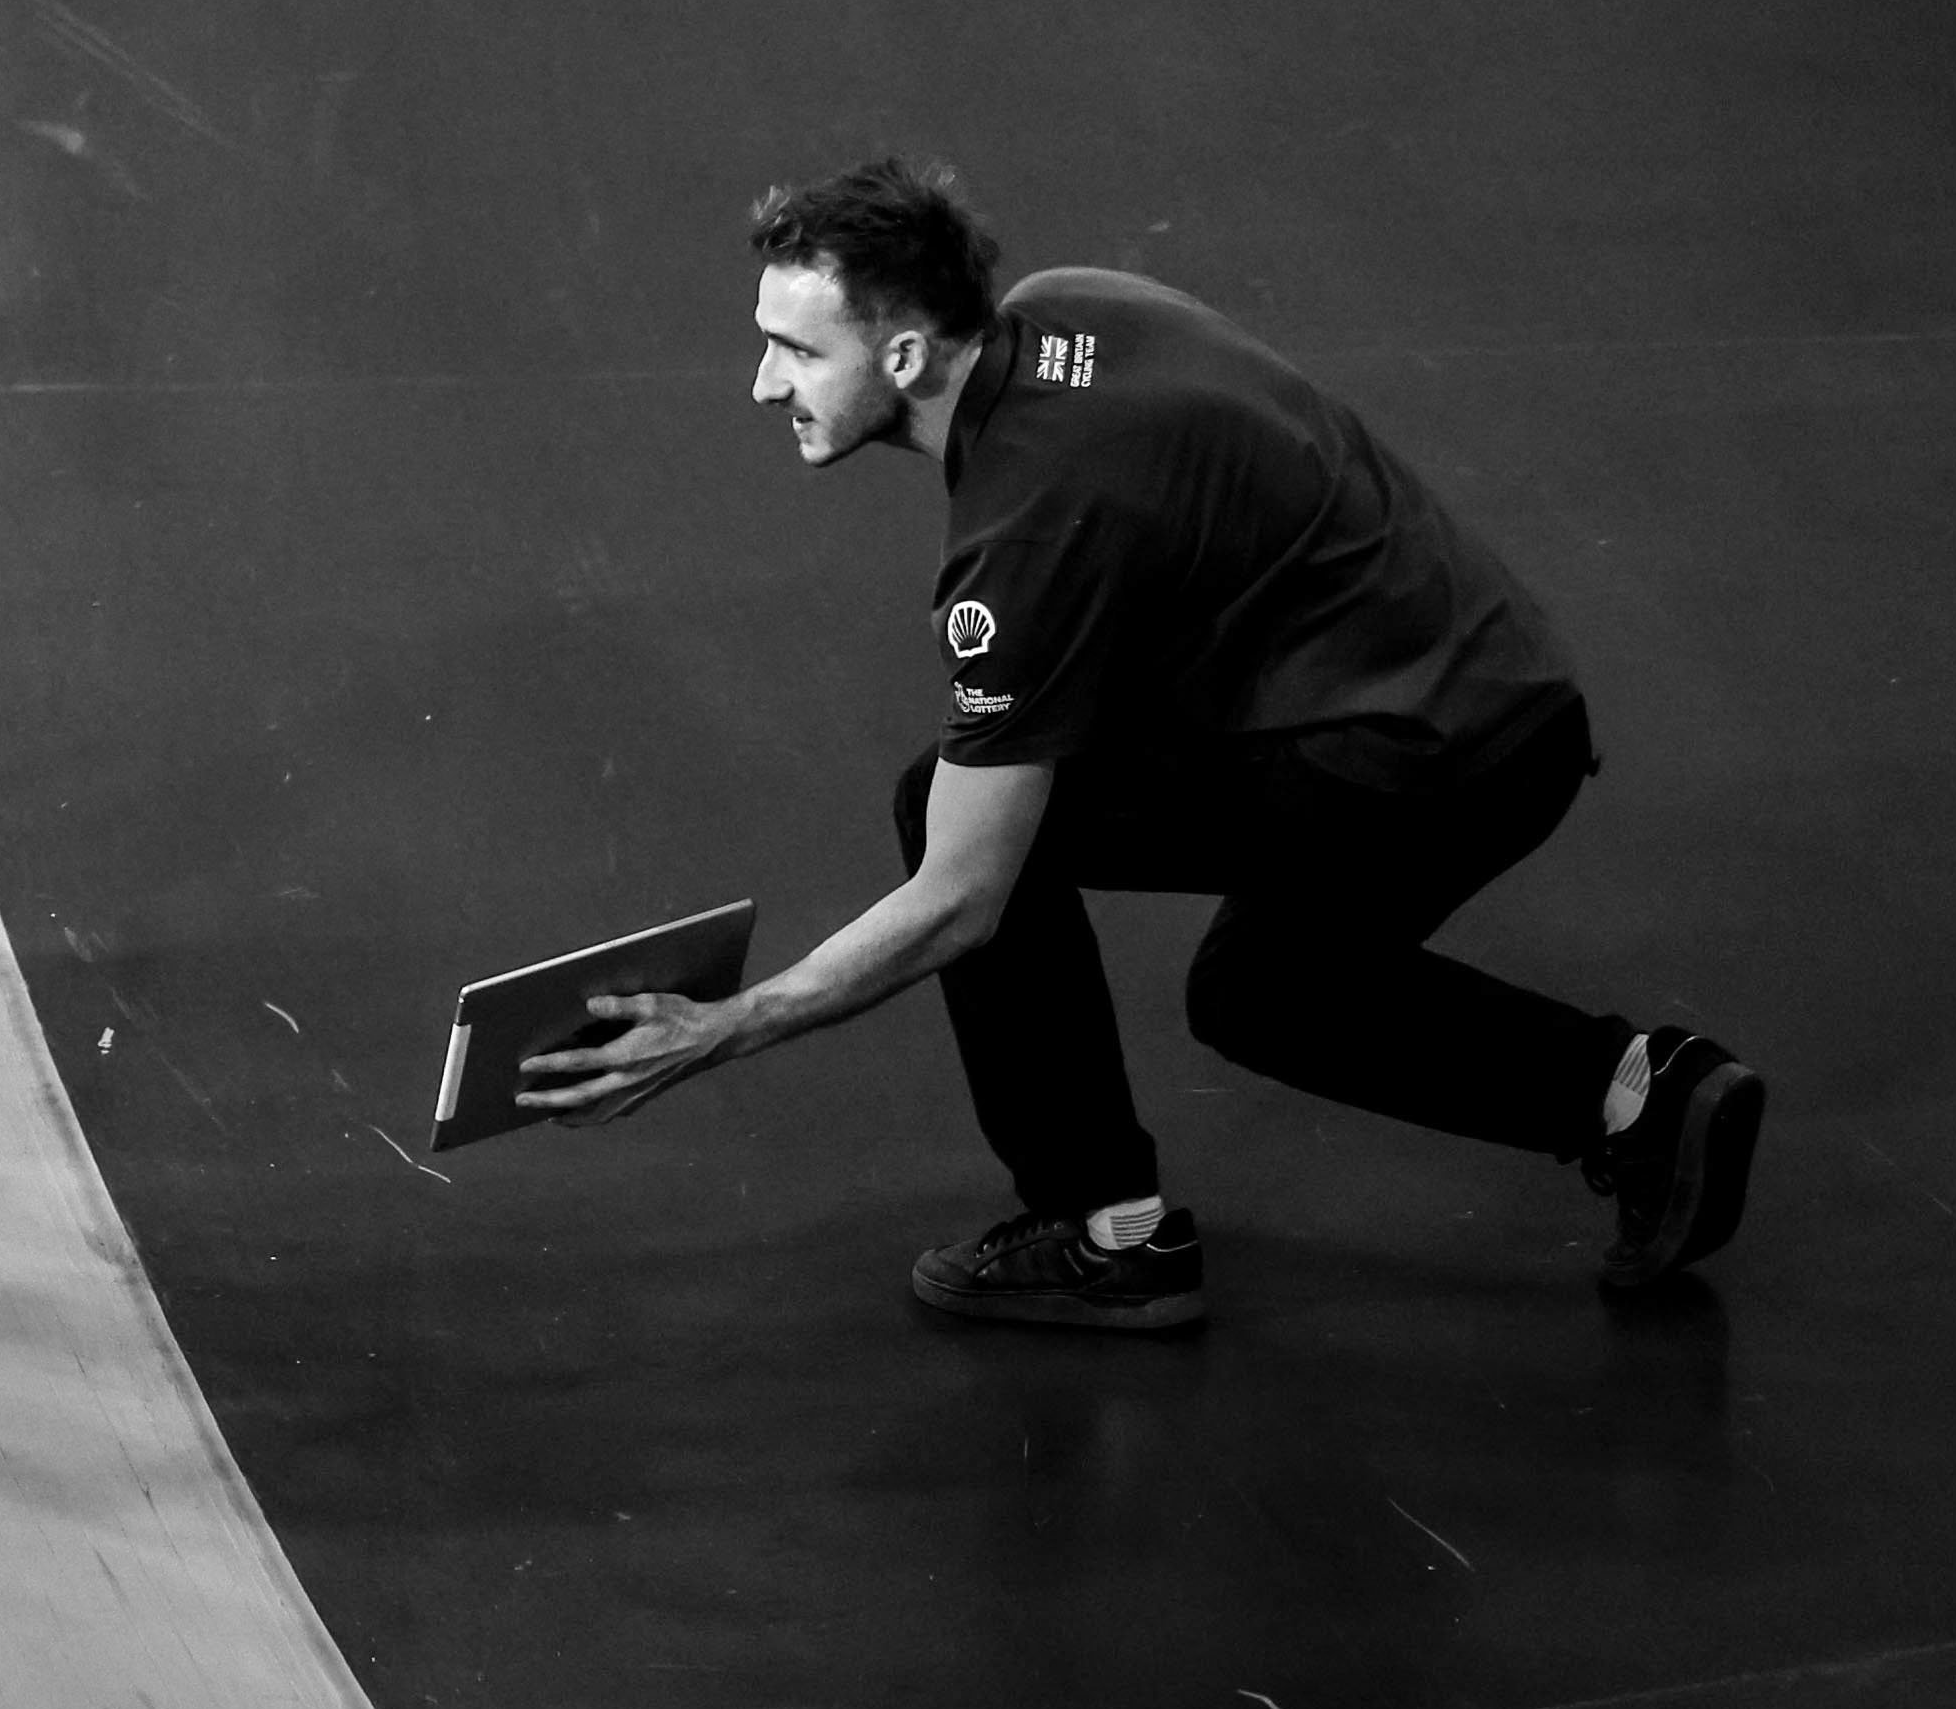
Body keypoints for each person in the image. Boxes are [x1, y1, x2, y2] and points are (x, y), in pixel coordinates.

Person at [516, 154, 1762, 1330]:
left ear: (902, 351)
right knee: (1228, 942)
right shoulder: (1072, 304)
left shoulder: (1027, 535)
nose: (763, 383)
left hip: (1437, 755)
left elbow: (963, 902)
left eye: (795, 350)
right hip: (1495, 683)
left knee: (1222, 970)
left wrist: (727, 1026)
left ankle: (1105, 1233)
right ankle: (1641, 1092)